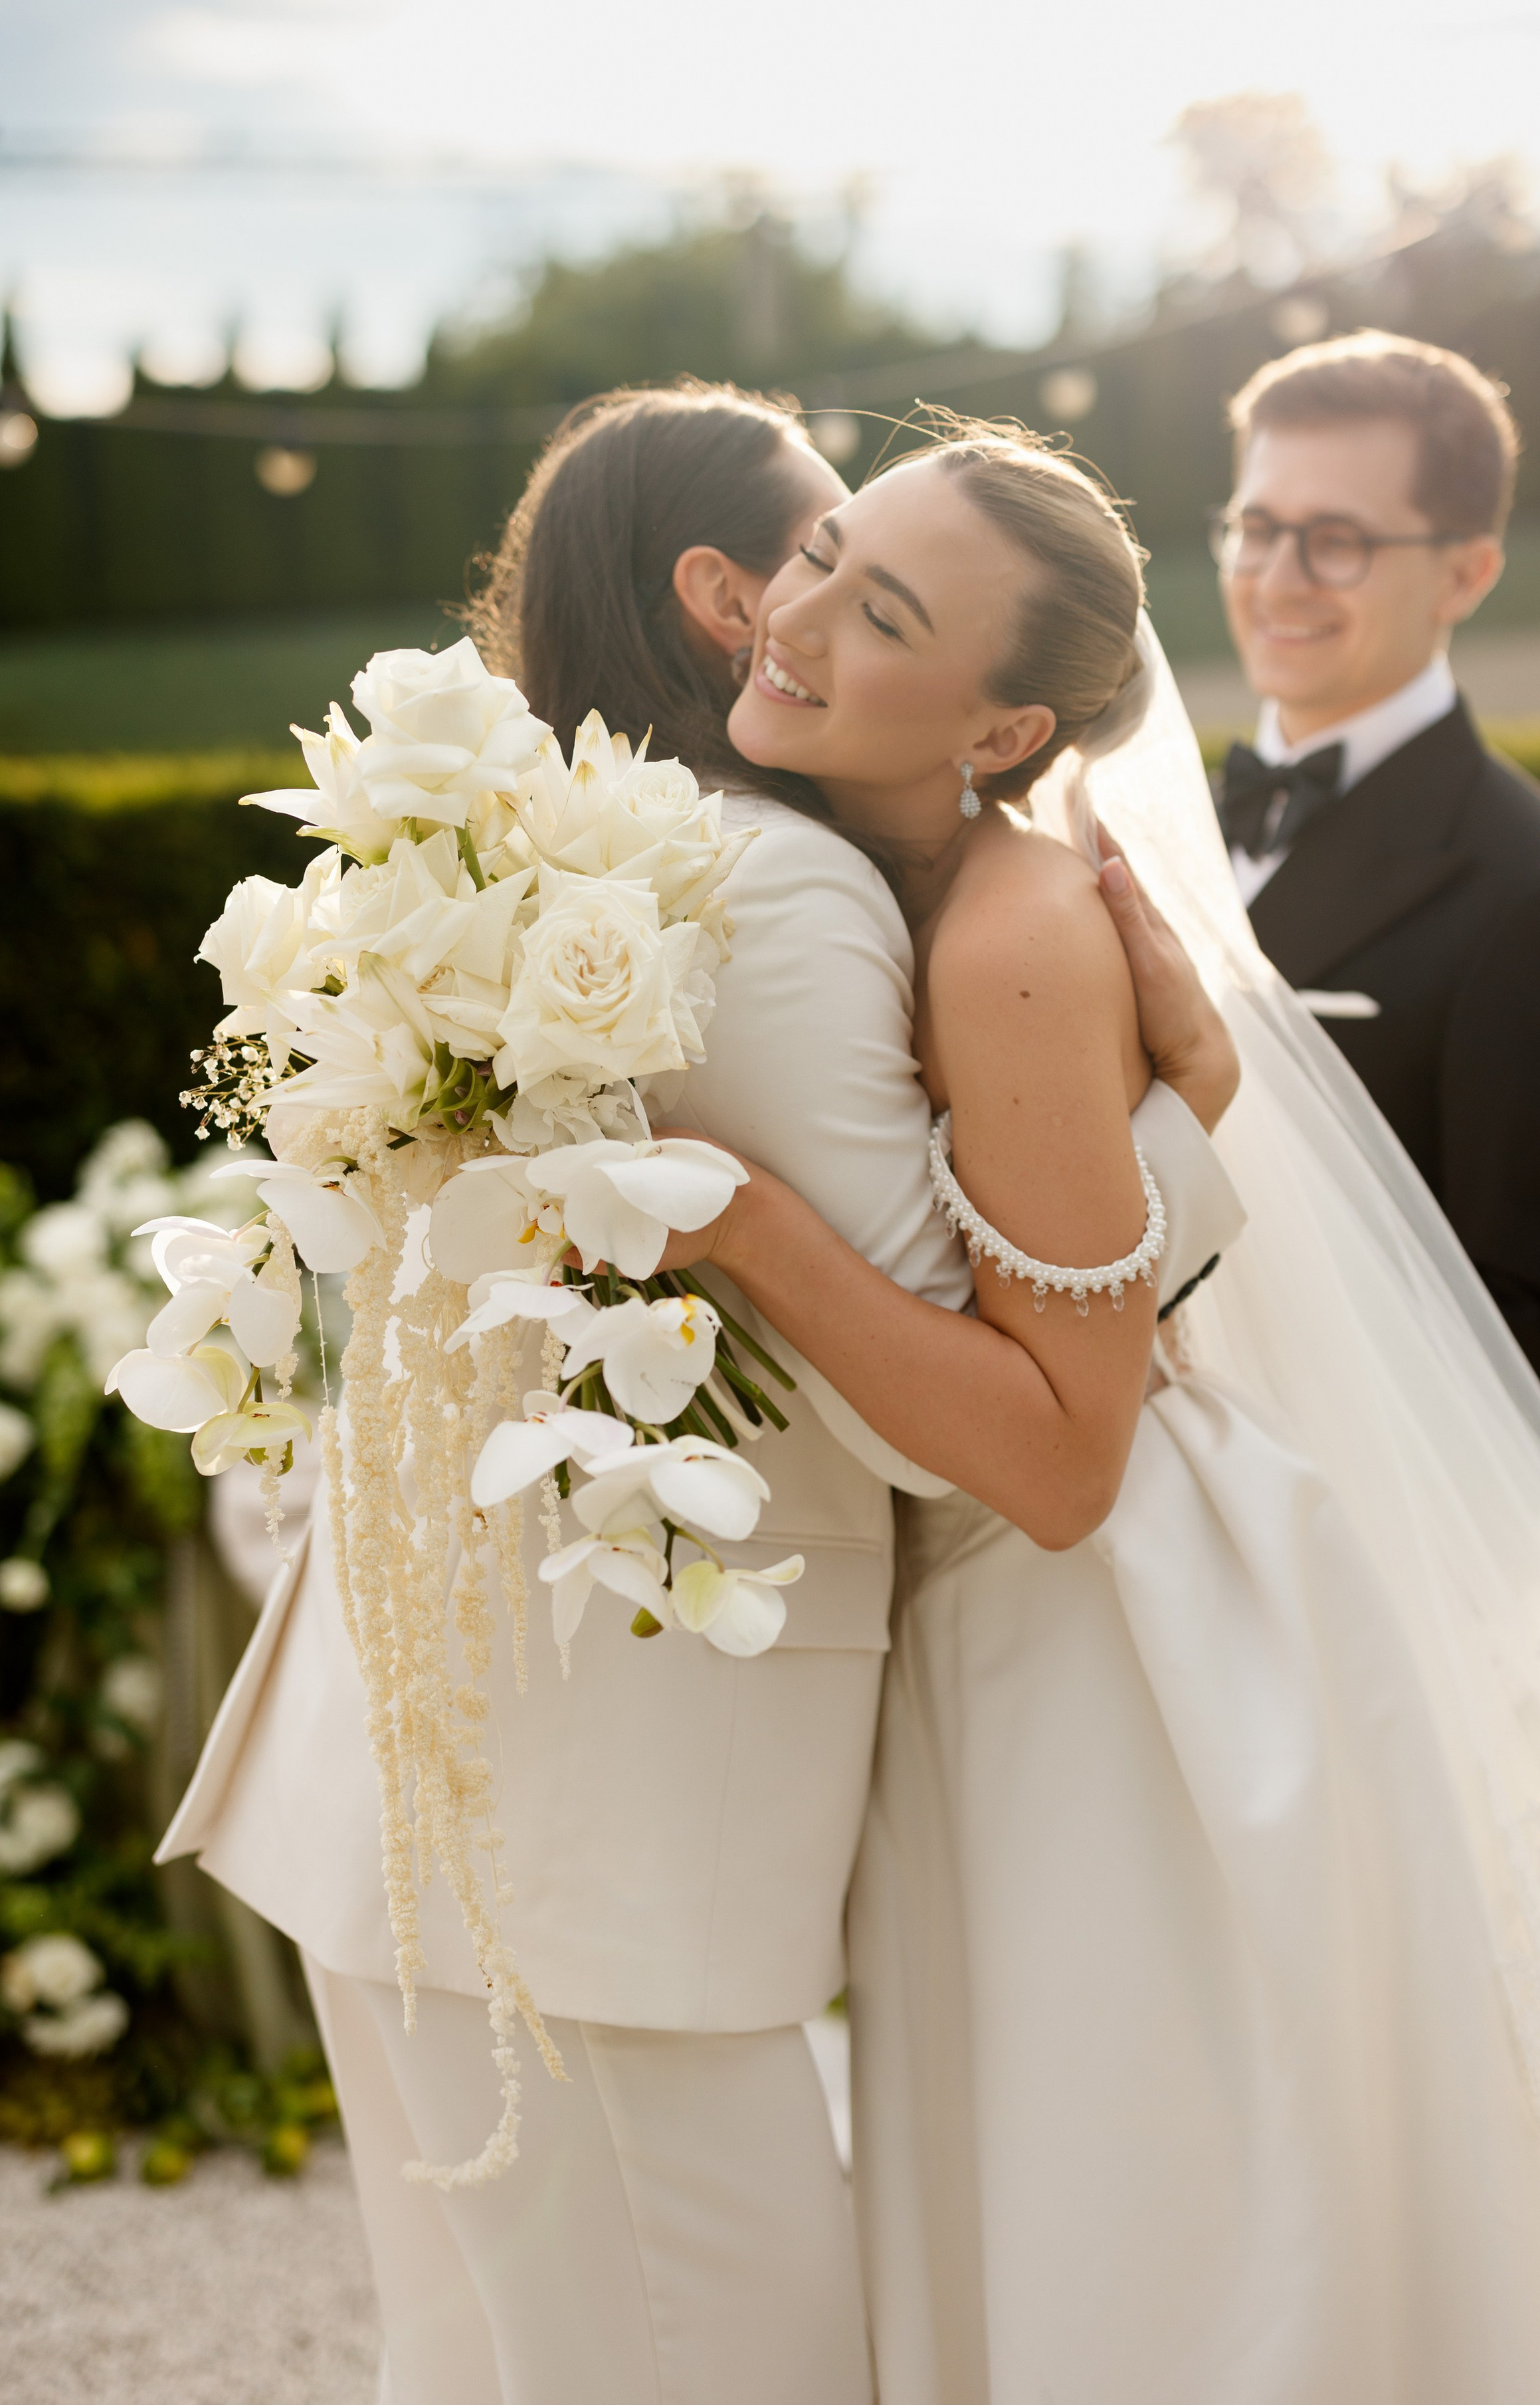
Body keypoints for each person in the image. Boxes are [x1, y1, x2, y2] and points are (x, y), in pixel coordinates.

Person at [157, 384, 1240, 2405]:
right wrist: (1190, 1124)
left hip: (399, 1778)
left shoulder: (515, 866)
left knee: (476, 2368)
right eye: (820, 548)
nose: (805, 606)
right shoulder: (773, 893)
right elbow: (977, 1426)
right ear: (721, 590)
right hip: (605, 1845)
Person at [650, 421, 1540, 2401]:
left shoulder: (1012, 935)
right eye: (823, 554)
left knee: (1169, 2240)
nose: (794, 620)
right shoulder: (928, 877)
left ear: (1000, 722)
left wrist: (746, 1228)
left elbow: (1064, 1456)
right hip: (1050, 1637)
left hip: (1125, 1666)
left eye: (882, 614)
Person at [1209, 330, 1540, 1408]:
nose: (1278, 580)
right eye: (1258, 529)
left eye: (1337, 540)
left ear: (1468, 571)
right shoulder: (1141, 813)